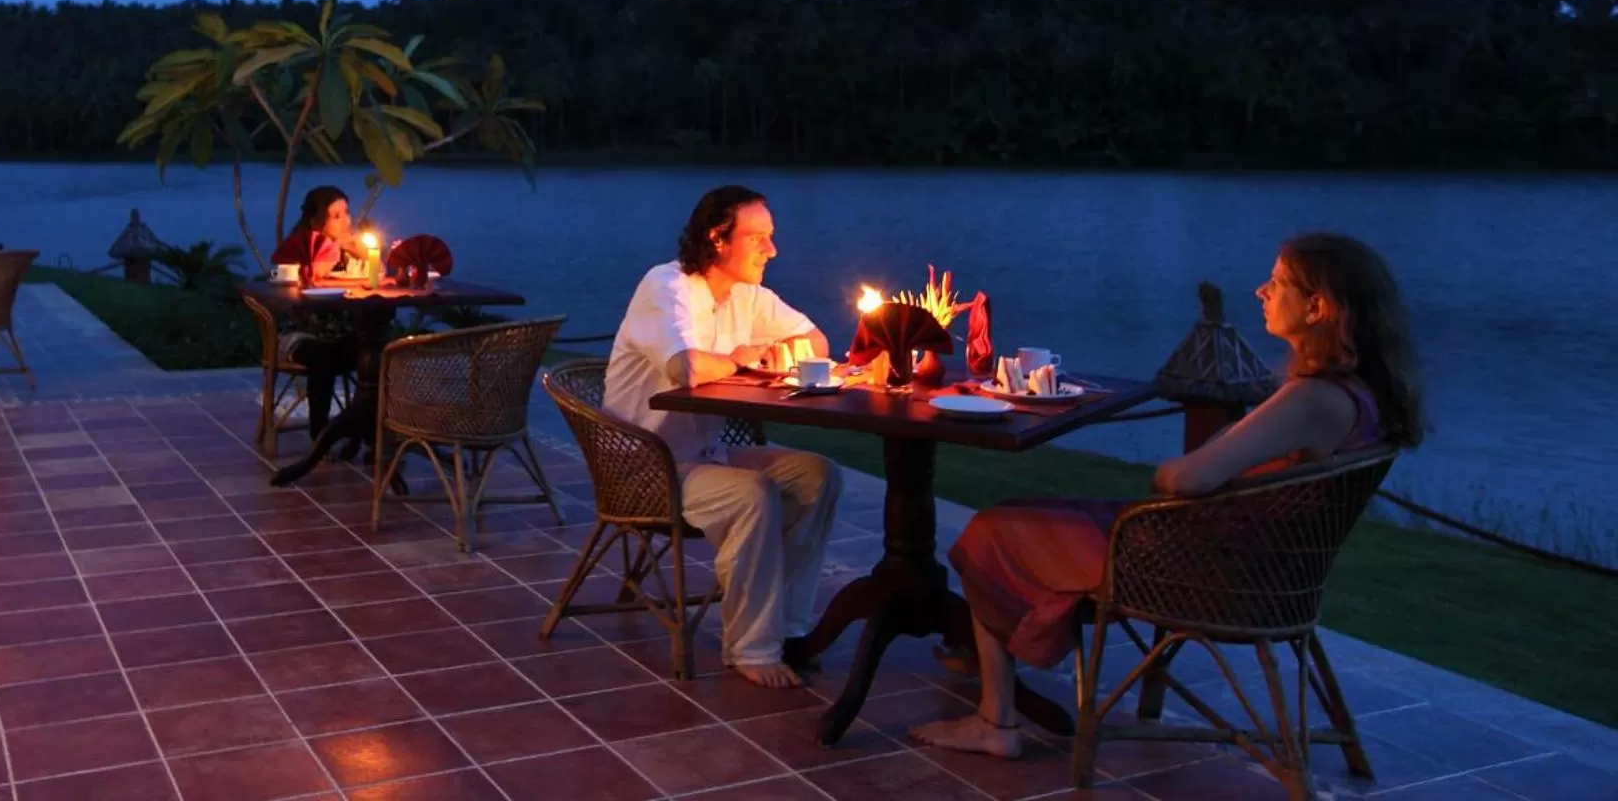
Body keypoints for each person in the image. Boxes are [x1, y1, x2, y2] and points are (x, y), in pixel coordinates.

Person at [910, 232, 1424, 757]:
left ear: (1317, 307)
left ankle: (996, 721)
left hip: (1202, 570)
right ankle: (989, 653)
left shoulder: (1313, 398)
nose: (1259, 291)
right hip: (1263, 567)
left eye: (1277, 282)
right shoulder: (1361, 395)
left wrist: (1181, 467)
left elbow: (1185, 479)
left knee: (996, 527)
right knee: (1032, 514)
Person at [604, 185, 845, 689]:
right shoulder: (666, 287)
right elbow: (687, 367)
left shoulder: (747, 296)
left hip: (704, 455)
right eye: (759, 239)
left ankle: (786, 627)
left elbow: (817, 342)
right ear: (718, 238)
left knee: (817, 475)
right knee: (753, 494)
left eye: (771, 238)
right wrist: (748, 355)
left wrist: (763, 347)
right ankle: (750, 648)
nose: (772, 251)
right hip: (644, 465)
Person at [269, 186, 363, 438]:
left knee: (377, 351)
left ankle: (366, 429)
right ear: (315, 221)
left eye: (346, 213)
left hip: (341, 333)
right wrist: (328, 254)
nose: (346, 220)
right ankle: (320, 434)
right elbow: (293, 286)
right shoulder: (300, 250)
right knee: (324, 357)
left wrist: (367, 256)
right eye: (336, 215)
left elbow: (373, 280)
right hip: (299, 335)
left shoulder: (351, 252)